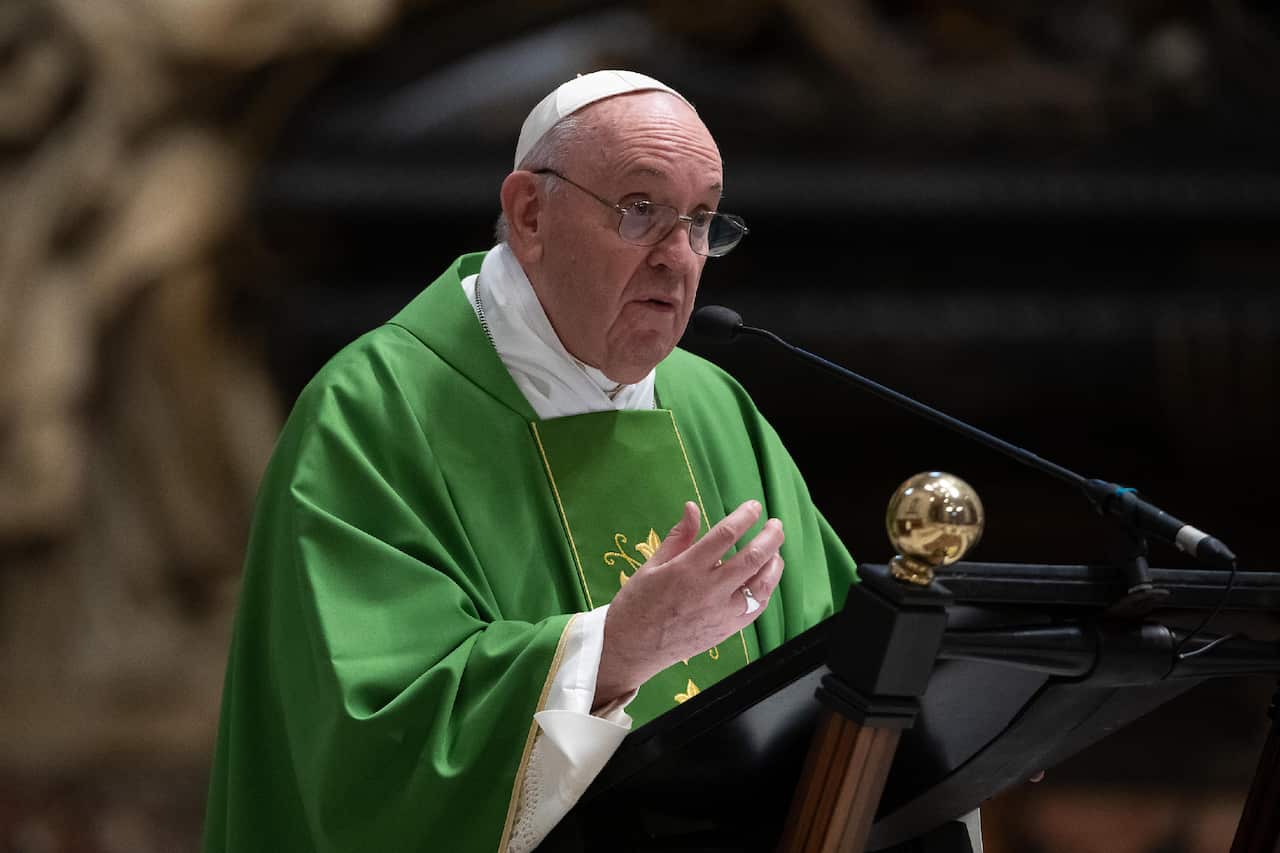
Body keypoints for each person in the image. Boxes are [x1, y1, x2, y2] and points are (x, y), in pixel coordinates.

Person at [202, 70, 861, 853]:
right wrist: (614, 651)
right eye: (641, 209)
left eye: (701, 221)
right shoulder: (373, 411)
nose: (676, 257)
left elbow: (839, 666)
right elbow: (372, 748)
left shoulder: (715, 409)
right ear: (530, 213)